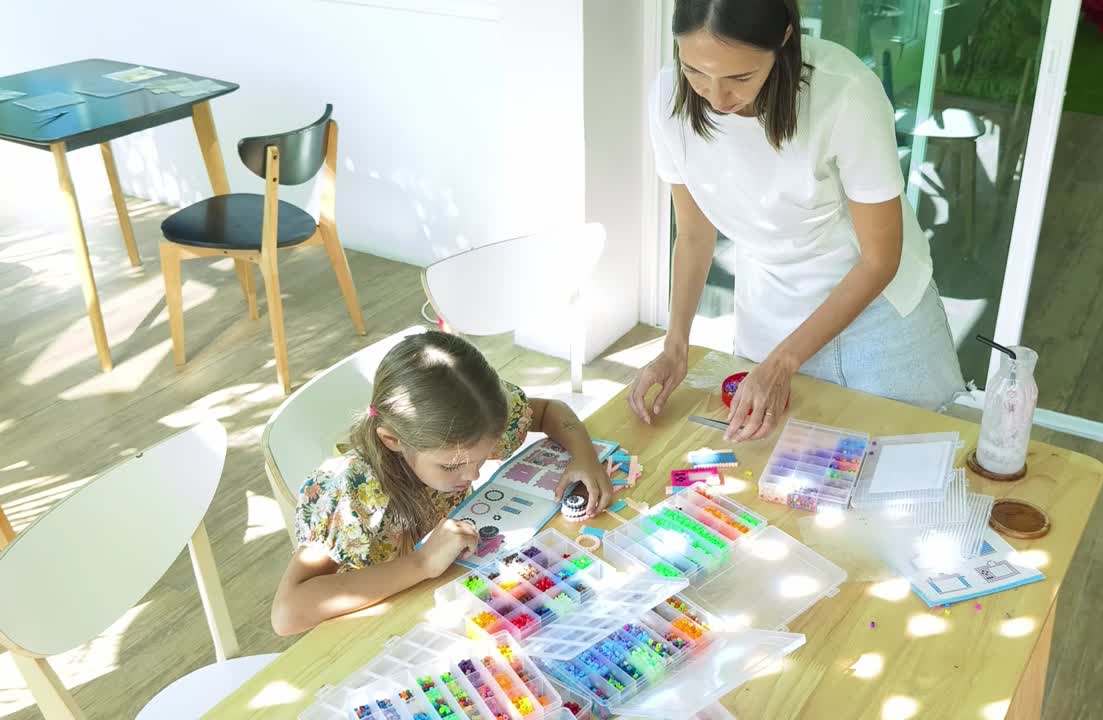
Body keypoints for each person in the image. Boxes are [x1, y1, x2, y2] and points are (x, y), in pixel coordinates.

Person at [628, 0, 963, 441]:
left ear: (785, 38)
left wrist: (783, 362)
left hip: (877, 319)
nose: (715, 96)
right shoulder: (667, 97)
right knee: (769, 476)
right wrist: (675, 346)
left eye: (740, 77)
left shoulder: (844, 94)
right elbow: (693, 235)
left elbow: (881, 259)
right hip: (770, 310)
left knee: (908, 464)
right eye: (695, 71)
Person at [272, 332, 610, 635]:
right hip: (376, 628)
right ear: (392, 440)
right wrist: (421, 564)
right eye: (452, 466)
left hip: (445, 600)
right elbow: (287, 614)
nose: (472, 476)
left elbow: (551, 410)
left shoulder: (474, 422)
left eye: (483, 457)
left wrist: (585, 457)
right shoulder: (349, 492)